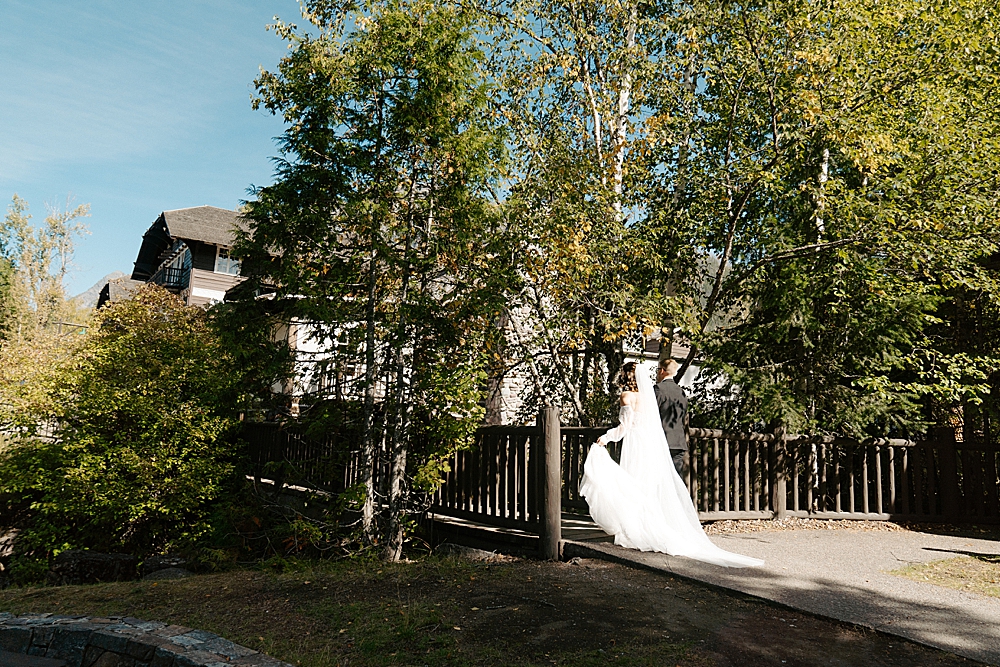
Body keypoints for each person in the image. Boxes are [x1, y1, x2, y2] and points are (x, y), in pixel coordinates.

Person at [579, 361, 763, 568]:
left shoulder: (626, 396)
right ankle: (653, 525)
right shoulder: (652, 397)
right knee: (648, 485)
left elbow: (626, 426)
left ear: (625, 377)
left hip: (636, 443)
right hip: (653, 445)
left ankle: (638, 528)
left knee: (634, 482)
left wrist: (606, 437)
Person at [655, 358, 688, 478]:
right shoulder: (681, 392)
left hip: (662, 441)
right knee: (676, 480)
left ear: (662, 371)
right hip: (679, 441)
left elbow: (652, 413)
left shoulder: (658, 389)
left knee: (661, 480)